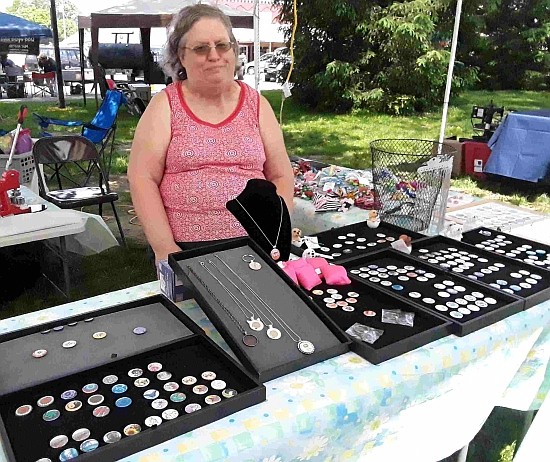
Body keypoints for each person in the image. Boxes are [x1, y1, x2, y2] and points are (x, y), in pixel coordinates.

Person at [128, 4, 294, 267]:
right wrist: (165, 249)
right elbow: (142, 178)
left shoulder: (257, 104)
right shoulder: (165, 105)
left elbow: (281, 174)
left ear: (234, 50)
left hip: (257, 248)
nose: (214, 55)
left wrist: (276, 230)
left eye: (222, 45)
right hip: (186, 250)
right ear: (181, 56)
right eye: (201, 48)